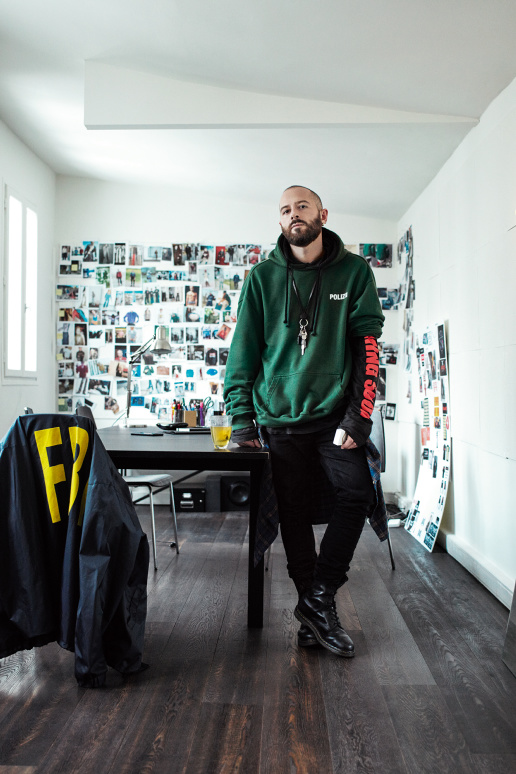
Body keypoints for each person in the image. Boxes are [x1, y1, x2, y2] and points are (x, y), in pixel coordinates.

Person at [223, 186, 385, 658]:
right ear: (280, 221)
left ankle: (319, 597)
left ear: (322, 214)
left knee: (357, 493)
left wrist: (359, 417)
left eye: (302, 207)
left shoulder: (354, 271)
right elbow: (242, 352)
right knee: (292, 513)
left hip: (335, 416)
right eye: (285, 210)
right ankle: (316, 613)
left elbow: (367, 349)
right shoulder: (261, 278)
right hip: (279, 418)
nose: (293, 214)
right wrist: (241, 418)